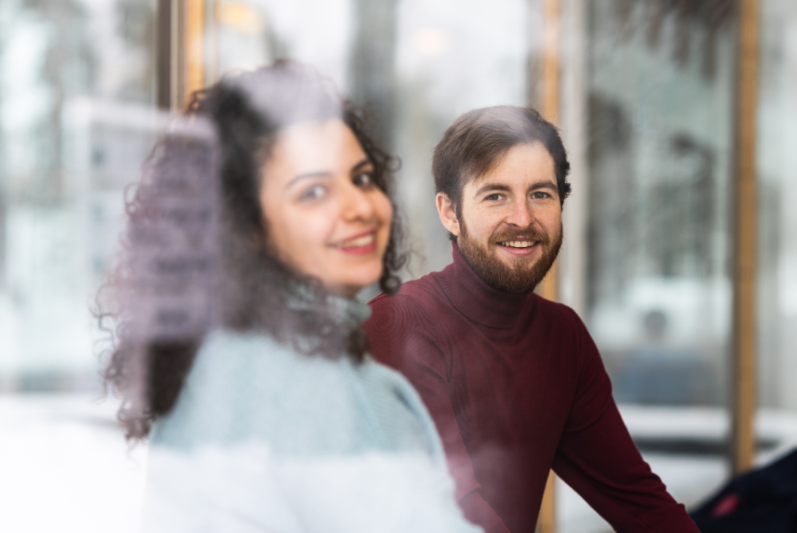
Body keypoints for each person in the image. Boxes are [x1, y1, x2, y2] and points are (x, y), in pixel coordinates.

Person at [99, 61, 481, 533]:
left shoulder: (224, 359)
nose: (360, 206)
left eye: (361, 178)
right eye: (314, 192)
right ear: (244, 229)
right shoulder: (299, 379)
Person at [364, 106, 700, 533]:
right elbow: (454, 511)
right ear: (450, 213)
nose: (522, 219)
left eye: (540, 194)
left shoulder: (562, 336)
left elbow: (638, 501)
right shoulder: (397, 326)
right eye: (496, 195)